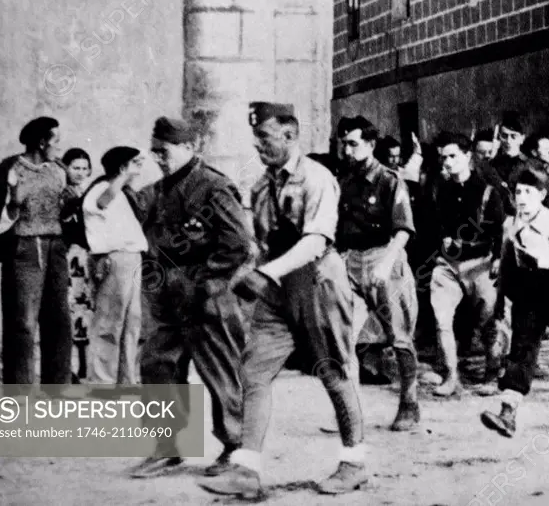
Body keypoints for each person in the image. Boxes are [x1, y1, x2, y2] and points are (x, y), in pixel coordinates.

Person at [198, 103, 368, 499]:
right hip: (276, 289)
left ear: (290, 136)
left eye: (265, 138)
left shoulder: (317, 178)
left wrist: (265, 273)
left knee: (334, 372)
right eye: (256, 138)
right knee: (253, 371)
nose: (258, 146)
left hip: (318, 283)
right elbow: (263, 242)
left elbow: (316, 240)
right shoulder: (261, 185)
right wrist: (249, 269)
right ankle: (246, 470)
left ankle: (354, 463)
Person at [127, 116, 252, 479]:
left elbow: (238, 244)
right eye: (154, 152)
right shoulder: (158, 190)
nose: (158, 158)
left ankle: (236, 447)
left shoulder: (213, 187)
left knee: (220, 370)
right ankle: (167, 448)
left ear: (189, 147)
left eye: (163, 151)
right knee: (157, 363)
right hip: (166, 291)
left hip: (206, 292)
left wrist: (203, 278)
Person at [479, 168, 549, 437]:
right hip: (527, 292)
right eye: (517, 192)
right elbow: (505, 263)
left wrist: (544, 260)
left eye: (529, 192)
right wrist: (501, 298)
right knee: (521, 349)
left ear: (542, 194)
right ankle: (508, 413)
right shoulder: (510, 224)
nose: (522, 198)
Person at [336, 115, 421, 431]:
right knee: (344, 339)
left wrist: (386, 264)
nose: (348, 150)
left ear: (370, 145)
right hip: (351, 263)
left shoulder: (389, 180)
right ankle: (351, 413)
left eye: (354, 144)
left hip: (384, 259)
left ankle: (409, 404)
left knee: (399, 337)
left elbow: (403, 230)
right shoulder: (345, 182)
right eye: (344, 144)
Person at [0, 117, 72, 386]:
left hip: (56, 249)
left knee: (59, 320)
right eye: (56, 141)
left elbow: (70, 209)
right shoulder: (10, 169)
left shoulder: (59, 169)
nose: (59, 146)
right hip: (24, 249)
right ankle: (20, 394)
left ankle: (58, 389)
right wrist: (15, 205)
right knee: (23, 323)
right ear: (42, 143)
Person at [427, 132, 506, 397]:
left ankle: (493, 374)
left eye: (452, 156)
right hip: (447, 266)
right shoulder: (440, 190)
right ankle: (451, 376)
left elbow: (501, 232)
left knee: (489, 320)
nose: (447, 162)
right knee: (442, 319)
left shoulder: (487, 192)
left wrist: (497, 260)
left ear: (467, 157)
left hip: (481, 264)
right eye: (443, 157)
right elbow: (432, 228)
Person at [82, 147, 147, 384]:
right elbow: (102, 202)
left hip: (132, 258)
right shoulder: (102, 188)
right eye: (134, 163)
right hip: (115, 259)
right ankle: (101, 383)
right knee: (109, 325)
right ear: (121, 167)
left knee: (131, 325)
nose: (139, 167)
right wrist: (121, 176)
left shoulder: (126, 192)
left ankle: (125, 382)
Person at [61, 148, 94, 382]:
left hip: (88, 255)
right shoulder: (63, 194)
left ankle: (84, 366)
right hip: (70, 254)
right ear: (66, 169)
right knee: (73, 307)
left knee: (85, 309)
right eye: (75, 168)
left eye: (84, 168)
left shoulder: (90, 193)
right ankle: (68, 367)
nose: (80, 173)